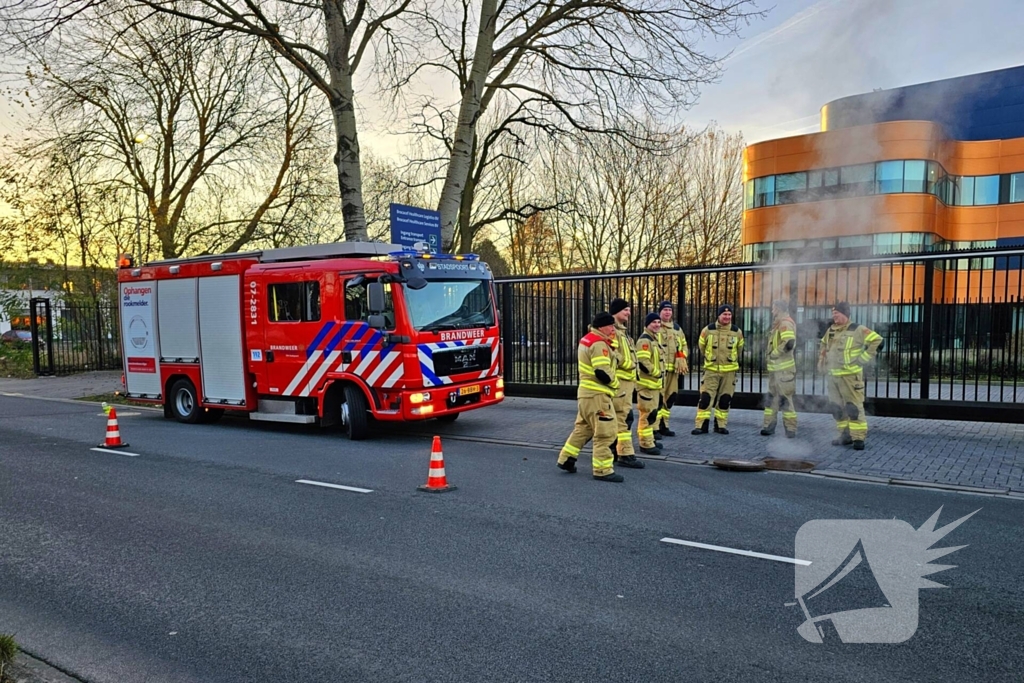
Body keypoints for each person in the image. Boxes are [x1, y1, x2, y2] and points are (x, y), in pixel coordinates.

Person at [556, 311, 624, 482]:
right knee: (606, 433)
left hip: (586, 395)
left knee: (583, 429)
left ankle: (566, 459)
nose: (613, 329)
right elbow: (602, 371)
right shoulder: (599, 343)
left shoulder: (587, 339)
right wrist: (616, 385)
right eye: (610, 325)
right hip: (598, 396)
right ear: (602, 326)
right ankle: (603, 470)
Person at [819, 302, 883, 451]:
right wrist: (821, 362)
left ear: (845, 314)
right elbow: (823, 346)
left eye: (837, 313)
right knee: (837, 408)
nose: (834, 316)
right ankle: (844, 435)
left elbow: (878, 341)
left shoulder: (858, 329)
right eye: (833, 313)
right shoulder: (832, 330)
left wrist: (863, 359)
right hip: (833, 377)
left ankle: (858, 437)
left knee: (853, 408)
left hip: (850, 377)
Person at [693, 304, 744, 435]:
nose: (727, 317)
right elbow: (702, 347)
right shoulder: (708, 330)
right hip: (711, 371)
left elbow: (739, 349)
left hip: (729, 373)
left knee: (725, 400)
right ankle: (701, 426)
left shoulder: (737, 332)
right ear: (719, 315)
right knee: (705, 399)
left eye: (729, 315)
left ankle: (720, 425)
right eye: (724, 314)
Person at [609, 298, 644, 469]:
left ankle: (614, 451)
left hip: (627, 384)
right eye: (625, 310)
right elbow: (611, 354)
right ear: (616, 311)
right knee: (624, 418)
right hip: (620, 384)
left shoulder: (623, 332)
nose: (629, 313)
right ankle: (625, 454)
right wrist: (628, 364)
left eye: (629, 310)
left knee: (619, 418)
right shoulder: (612, 331)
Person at [761, 300, 799, 438]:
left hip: (784, 371)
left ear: (778, 309)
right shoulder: (779, 323)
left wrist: (774, 353)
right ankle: (769, 426)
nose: (772, 311)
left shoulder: (785, 324)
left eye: (773, 309)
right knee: (772, 398)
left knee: (785, 399)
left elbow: (789, 343)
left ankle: (790, 429)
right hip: (775, 370)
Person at [655, 301, 688, 437]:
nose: (667, 312)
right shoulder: (655, 326)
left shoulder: (677, 329)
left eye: (669, 310)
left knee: (670, 398)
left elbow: (684, 345)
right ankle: (654, 427)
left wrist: (681, 357)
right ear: (660, 312)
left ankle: (664, 425)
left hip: (673, 371)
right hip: (659, 371)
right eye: (665, 310)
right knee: (658, 399)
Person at [634, 313, 664, 455]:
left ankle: (650, 439)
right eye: (654, 322)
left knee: (652, 414)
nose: (657, 324)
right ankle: (645, 444)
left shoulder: (653, 339)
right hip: (647, 385)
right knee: (647, 415)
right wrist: (656, 372)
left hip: (654, 385)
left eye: (659, 322)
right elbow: (643, 362)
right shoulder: (644, 341)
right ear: (647, 325)